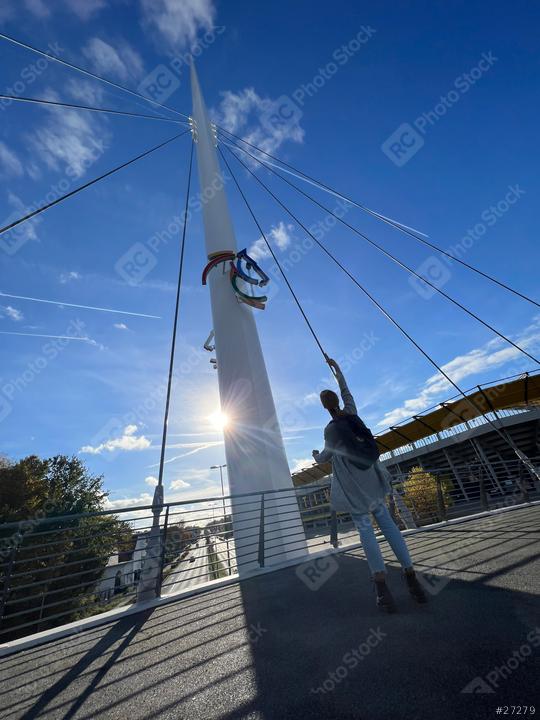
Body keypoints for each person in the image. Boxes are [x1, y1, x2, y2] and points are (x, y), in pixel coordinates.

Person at [312, 357, 427, 612]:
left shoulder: (329, 431)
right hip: (373, 482)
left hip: (354, 489)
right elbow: (346, 391)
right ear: (337, 402)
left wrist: (313, 456)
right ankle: (411, 579)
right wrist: (337, 370)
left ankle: (382, 589)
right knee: (389, 526)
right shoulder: (352, 413)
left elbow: (324, 458)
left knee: (366, 532)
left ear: (324, 407)